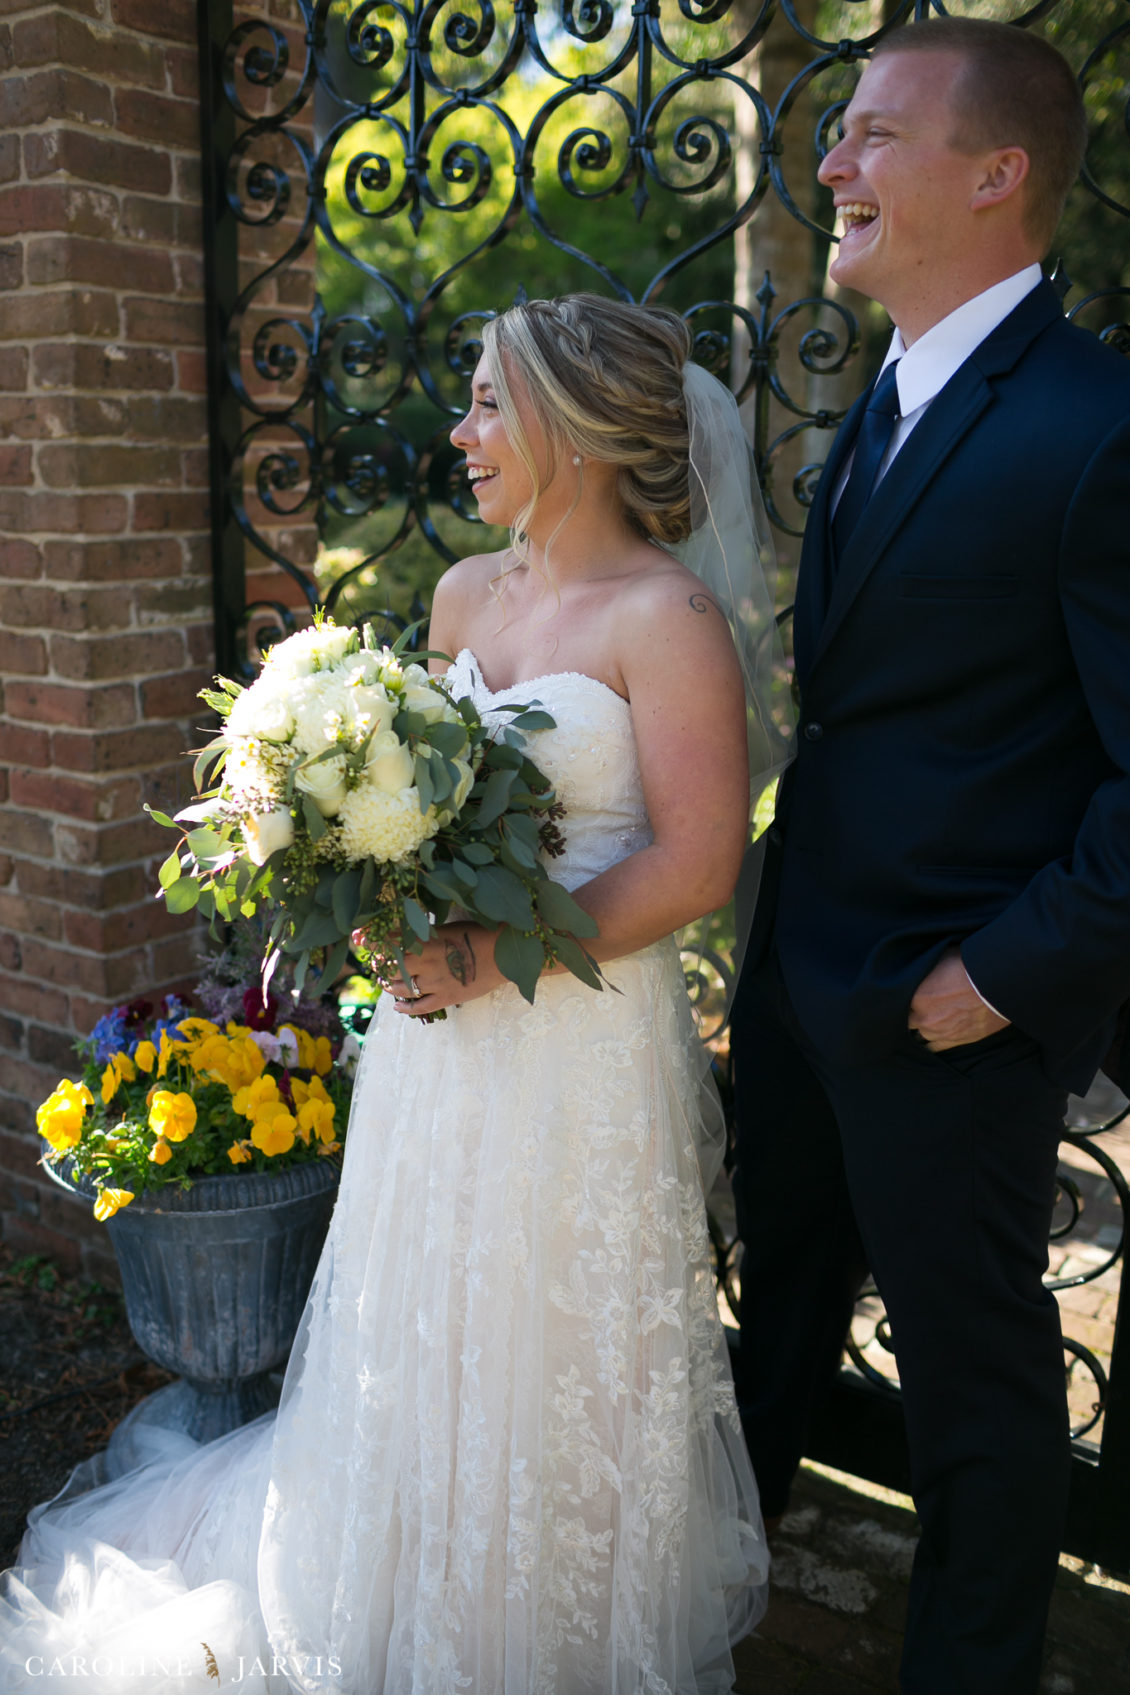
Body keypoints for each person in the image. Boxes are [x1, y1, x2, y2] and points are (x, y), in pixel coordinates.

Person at [0, 295, 776, 1694]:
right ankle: (397, 1580)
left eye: (487, 404)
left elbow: (698, 862)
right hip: (437, 1041)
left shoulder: (668, 617)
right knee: (424, 1309)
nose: (461, 433)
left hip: (581, 1042)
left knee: (553, 1329)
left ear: (574, 426)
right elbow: (412, 798)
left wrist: (487, 954)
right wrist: (354, 876)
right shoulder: (464, 595)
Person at [730, 18, 1130, 1695]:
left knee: (973, 1389)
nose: (829, 162)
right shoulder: (885, 396)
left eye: (873, 133)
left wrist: (999, 979)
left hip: (947, 1012)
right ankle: (715, 1610)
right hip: (797, 980)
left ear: (994, 174)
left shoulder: (1098, 422)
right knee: (771, 1325)